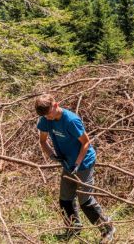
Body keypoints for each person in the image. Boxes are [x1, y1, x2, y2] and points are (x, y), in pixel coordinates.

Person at [35, 94, 115, 242]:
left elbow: (86, 143)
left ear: (56, 105)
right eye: (45, 115)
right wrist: (53, 156)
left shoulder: (71, 120)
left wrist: (77, 164)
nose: (48, 117)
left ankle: (107, 228)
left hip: (83, 163)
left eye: (49, 113)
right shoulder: (45, 119)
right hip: (67, 163)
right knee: (65, 200)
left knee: (85, 200)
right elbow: (43, 141)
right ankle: (73, 229)